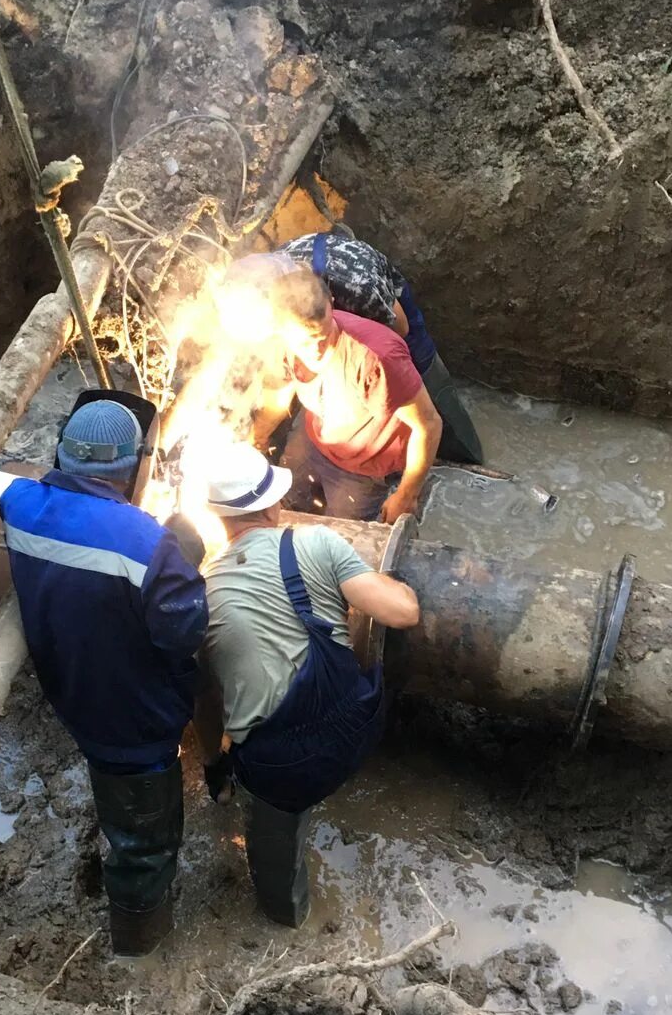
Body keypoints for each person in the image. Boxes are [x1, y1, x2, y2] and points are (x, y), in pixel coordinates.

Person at [0, 394, 207, 957]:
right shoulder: (147, 543)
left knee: (116, 797)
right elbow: (183, 636)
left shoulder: (18, 504)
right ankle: (138, 949)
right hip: (133, 723)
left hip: (69, 692)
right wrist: (184, 559)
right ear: (133, 468)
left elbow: (10, 488)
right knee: (145, 842)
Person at [198, 443, 419, 926]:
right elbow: (403, 612)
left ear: (217, 520)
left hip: (284, 772)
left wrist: (215, 764)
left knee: (273, 859)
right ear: (276, 505)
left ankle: (291, 920)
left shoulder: (202, 592)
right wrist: (395, 582)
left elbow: (209, 700)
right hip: (356, 730)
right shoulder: (318, 543)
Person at [220, 229, 483, 465]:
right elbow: (279, 380)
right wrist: (260, 434)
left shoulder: (358, 288)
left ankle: (461, 457)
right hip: (333, 327)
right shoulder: (268, 277)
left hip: (390, 322)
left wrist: (375, 377)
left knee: (430, 405)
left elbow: (398, 329)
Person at [257, 266, 443, 523]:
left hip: (365, 468)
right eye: (304, 343)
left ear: (331, 304)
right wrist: (259, 435)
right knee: (284, 507)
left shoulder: (377, 358)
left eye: (323, 336)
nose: (316, 350)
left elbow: (429, 425)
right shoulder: (278, 343)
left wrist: (407, 494)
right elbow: (279, 394)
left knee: (344, 536)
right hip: (313, 439)